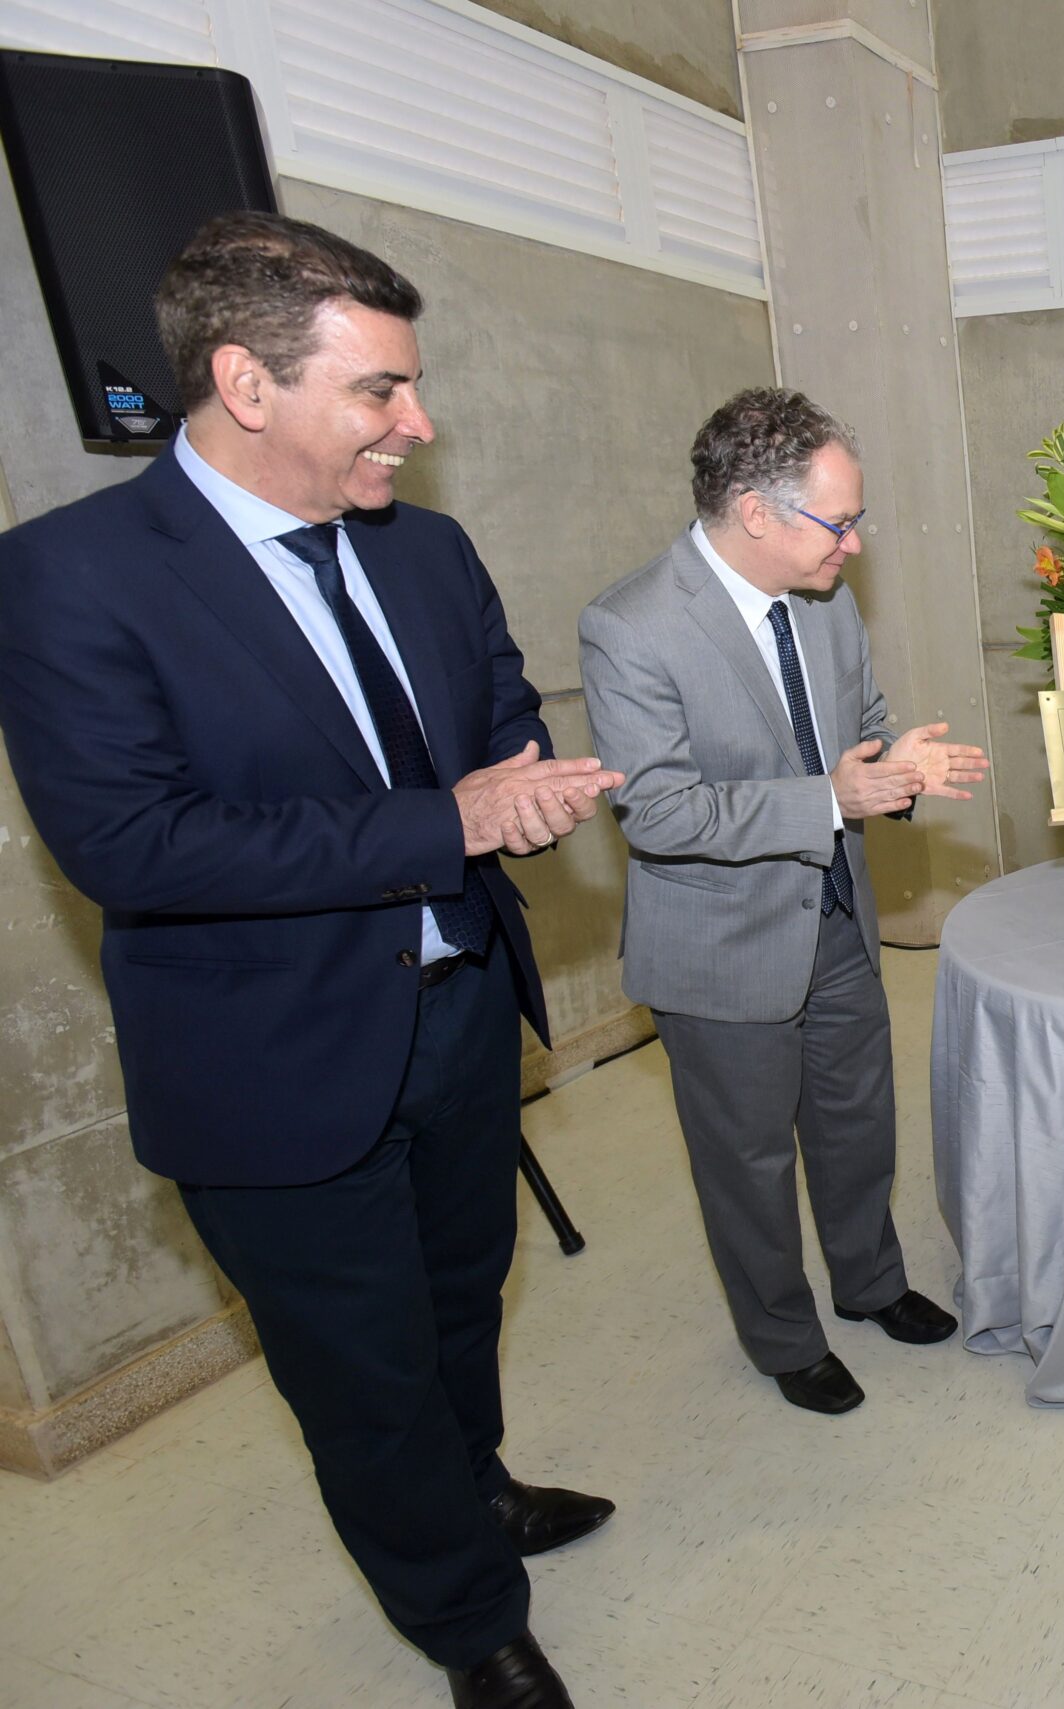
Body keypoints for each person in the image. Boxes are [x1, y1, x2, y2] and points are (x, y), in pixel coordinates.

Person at [0, 212, 626, 1709]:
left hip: (462, 1006)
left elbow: (494, 719)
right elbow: (137, 849)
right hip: (271, 1065)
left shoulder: (429, 549)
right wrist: (445, 819)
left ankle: (473, 1489)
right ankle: (468, 1617)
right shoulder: (68, 577)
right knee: (359, 1369)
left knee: (462, 1294)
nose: (419, 423)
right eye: (380, 392)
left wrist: (519, 788)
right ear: (247, 380)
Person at [579, 388, 984, 1415]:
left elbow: (862, 723)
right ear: (756, 512)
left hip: (835, 917)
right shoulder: (630, 626)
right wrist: (829, 797)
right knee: (748, 1161)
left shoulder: (826, 600)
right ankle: (782, 1334)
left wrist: (893, 768)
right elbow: (660, 813)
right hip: (719, 948)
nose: (855, 542)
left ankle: (872, 1282)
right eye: (839, 520)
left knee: (856, 1126)